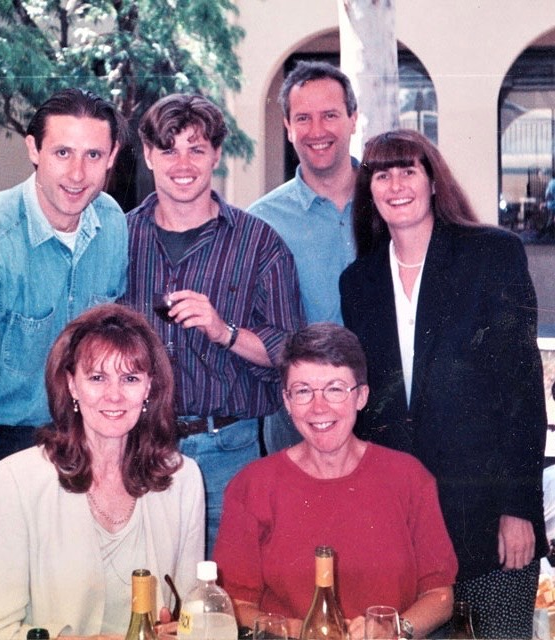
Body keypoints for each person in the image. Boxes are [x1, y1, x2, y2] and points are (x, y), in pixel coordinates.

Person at [340, 129, 547, 639]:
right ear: (369, 192)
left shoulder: (491, 255)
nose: (395, 184)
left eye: (408, 170)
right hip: (403, 524)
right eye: (381, 175)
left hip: (489, 517)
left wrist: (518, 507)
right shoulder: (359, 282)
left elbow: (523, 390)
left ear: (433, 181)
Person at [0, 88, 128, 585]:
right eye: (62, 152)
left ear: (112, 158)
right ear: (33, 150)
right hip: (4, 455)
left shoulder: (112, 224)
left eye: (93, 155)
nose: (77, 174)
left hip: (87, 451)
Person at [122, 93, 305, 557]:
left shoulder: (258, 242)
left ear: (216, 155)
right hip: (138, 448)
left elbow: (289, 354)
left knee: (230, 599)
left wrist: (224, 331)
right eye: (169, 149)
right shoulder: (118, 238)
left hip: (230, 451)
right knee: (146, 596)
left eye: (196, 149)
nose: (183, 163)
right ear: (148, 154)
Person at [0, 304, 205, 639]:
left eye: (130, 378)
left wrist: (183, 628)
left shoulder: (183, 479)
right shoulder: (16, 481)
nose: (114, 395)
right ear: (71, 385)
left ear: (149, 388)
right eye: (97, 377)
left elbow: (192, 616)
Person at [213, 323, 457, 640]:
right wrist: (290, 629)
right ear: (286, 402)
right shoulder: (251, 486)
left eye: (335, 389)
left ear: (362, 396)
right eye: (303, 391)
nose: (319, 407)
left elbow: (440, 596)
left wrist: (396, 629)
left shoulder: (410, 478)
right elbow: (235, 602)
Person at [248, 60, 359, 453]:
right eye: (303, 118)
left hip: (387, 414)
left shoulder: (390, 204)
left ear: (353, 119)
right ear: (287, 127)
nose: (317, 131)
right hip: (297, 426)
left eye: (330, 115)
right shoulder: (259, 224)